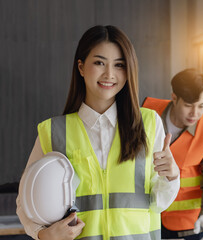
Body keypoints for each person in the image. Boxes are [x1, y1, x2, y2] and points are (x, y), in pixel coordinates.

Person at [16, 25, 180, 240]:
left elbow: (159, 203)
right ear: (81, 67)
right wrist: (44, 235)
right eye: (99, 63)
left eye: (119, 65)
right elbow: (25, 202)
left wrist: (171, 176)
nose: (109, 74)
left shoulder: (148, 123)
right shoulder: (52, 132)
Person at [142, 69, 203, 240]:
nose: (195, 113)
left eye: (201, 106)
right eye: (188, 105)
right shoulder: (146, 114)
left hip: (188, 226)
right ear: (174, 97)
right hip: (146, 217)